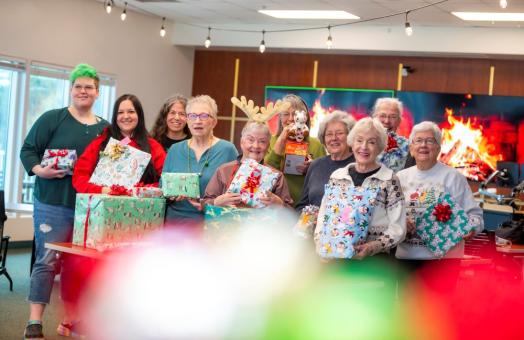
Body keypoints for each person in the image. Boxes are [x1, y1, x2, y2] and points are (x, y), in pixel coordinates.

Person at [20, 63, 109, 340]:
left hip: (88, 209)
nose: (83, 91)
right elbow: (28, 150)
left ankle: (70, 320)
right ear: (71, 90)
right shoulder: (52, 118)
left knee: (76, 265)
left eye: (89, 87)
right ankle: (34, 322)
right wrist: (40, 170)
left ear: (97, 92)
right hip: (51, 202)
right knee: (46, 261)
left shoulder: (105, 128)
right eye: (78, 86)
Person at [395, 122, 483, 270]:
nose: (423, 145)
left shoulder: (454, 177)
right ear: (411, 148)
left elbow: (475, 217)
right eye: (418, 141)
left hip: (444, 263)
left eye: (430, 141)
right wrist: (400, 222)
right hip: (406, 258)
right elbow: (388, 215)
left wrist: (471, 229)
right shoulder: (399, 177)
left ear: (438, 149)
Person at [314, 117, 406, 260]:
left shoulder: (389, 179)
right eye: (359, 140)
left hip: (374, 262)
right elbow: (323, 216)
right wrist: (320, 243)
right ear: (352, 142)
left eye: (371, 142)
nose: (364, 147)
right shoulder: (337, 176)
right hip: (337, 260)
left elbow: (398, 228)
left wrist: (373, 246)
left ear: (380, 147)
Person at [163, 95, 238, 223]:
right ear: (187, 120)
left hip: (213, 221)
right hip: (176, 221)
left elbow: (237, 190)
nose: (197, 121)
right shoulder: (175, 150)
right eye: (192, 116)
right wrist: (172, 195)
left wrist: (217, 201)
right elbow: (163, 188)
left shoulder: (227, 150)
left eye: (203, 116)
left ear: (214, 122)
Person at [73, 94, 166, 193]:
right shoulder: (101, 142)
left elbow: (166, 181)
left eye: (131, 111)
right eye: (120, 112)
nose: (126, 116)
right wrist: (102, 190)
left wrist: (142, 190)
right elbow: (79, 176)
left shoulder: (153, 146)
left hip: (140, 206)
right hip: (103, 204)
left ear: (139, 115)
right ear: (115, 116)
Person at [203, 121, 293, 208]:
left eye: (262, 141)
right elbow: (204, 204)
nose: (256, 146)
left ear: (268, 146)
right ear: (242, 142)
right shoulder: (223, 171)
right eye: (251, 140)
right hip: (227, 222)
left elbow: (291, 214)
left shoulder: (276, 176)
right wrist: (216, 202)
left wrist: (279, 204)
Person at [264, 94, 326, 204]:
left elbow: (324, 179)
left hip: (305, 207)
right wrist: (280, 143)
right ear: (280, 118)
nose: (291, 119)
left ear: (305, 118)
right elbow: (265, 175)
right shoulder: (269, 141)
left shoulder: (316, 144)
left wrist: (311, 169)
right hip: (273, 206)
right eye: (286, 114)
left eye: (296, 114)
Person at [295, 110, 356, 212]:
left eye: (339, 133)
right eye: (329, 134)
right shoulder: (315, 165)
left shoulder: (358, 166)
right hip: (313, 226)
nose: (334, 138)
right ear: (323, 139)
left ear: (350, 136)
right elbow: (302, 205)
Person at [372, 97, 415, 171]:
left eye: (393, 117)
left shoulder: (408, 147)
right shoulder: (363, 143)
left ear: (399, 121)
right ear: (374, 118)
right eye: (382, 116)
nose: (387, 121)